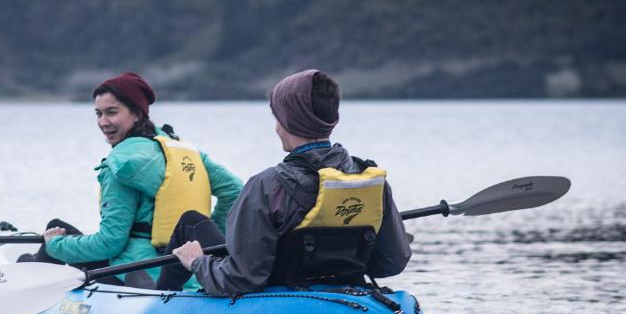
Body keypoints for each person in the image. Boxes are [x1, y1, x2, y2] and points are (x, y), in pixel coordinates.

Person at [162, 69, 411, 294]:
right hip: (344, 298)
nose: (276, 127)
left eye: (277, 117)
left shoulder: (266, 186)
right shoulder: (370, 180)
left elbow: (242, 279)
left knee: (190, 224)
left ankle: (159, 305)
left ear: (288, 121)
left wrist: (197, 262)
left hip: (279, 304)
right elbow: (391, 262)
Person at [27, 71, 243, 286]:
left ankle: (31, 297)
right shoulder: (185, 152)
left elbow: (109, 243)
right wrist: (207, 237)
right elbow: (234, 190)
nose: (103, 122)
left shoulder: (119, 165)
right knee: (60, 237)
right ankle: (29, 265)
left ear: (137, 114)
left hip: (132, 272)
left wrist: (55, 245)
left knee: (55, 229)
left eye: (111, 112)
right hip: (188, 270)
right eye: (98, 114)